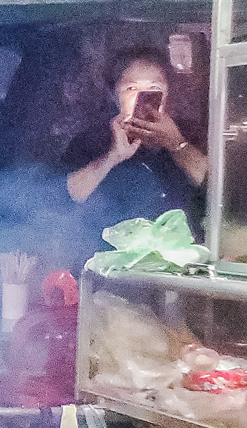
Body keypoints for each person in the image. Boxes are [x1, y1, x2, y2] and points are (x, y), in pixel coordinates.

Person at [60, 46, 207, 267]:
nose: (143, 97)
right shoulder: (90, 142)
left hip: (180, 272)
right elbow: (67, 196)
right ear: (114, 95)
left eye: (154, 89)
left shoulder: (190, 135)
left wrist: (176, 143)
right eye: (131, 88)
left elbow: (215, 186)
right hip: (110, 270)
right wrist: (112, 157)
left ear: (167, 94)